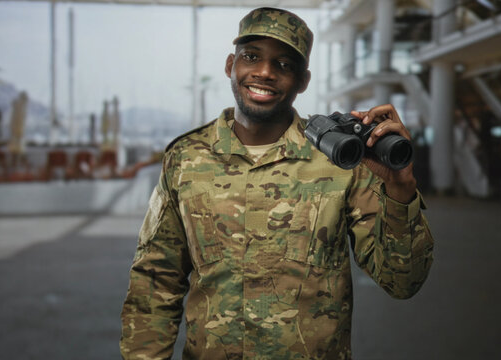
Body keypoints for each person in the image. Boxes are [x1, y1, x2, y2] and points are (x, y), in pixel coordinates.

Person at [120, 7, 434, 360]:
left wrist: (400, 189)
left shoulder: (341, 161)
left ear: (303, 80)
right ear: (230, 65)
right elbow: (155, 283)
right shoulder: (186, 158)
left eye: (284, 64)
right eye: (251, 57)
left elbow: (402, 281)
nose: (265, 72)